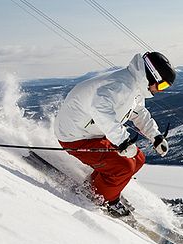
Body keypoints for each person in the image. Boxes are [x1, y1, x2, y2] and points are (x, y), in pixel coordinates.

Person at [54, 51, 175, 217]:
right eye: (161, 85)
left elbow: (138, 112)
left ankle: (97, 187)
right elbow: (100, 109)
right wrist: (123, 141)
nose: (160, 90)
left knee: (138, 159)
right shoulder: (121, 84)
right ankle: (96, 198)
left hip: (91, 132)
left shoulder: (134, 87)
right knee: (123, 166)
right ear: (152, 76)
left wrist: (155, 136)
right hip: (75, 135)